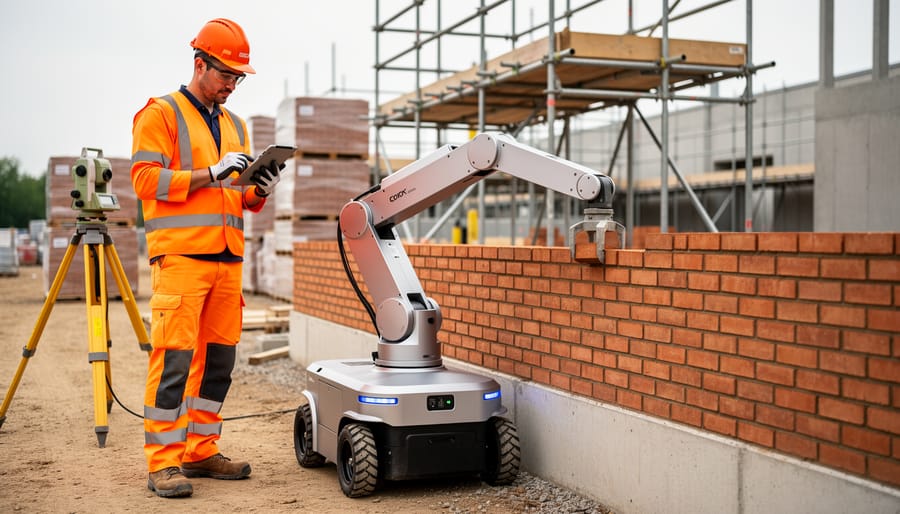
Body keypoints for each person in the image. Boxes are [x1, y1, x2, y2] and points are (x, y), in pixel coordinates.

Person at [130, 18, 282, 499]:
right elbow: (144, 181)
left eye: (239, 78)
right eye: (226, 76)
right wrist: (208, 173)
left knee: (218, 363)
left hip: (227, 262)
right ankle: (163, 463)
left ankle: (200, 450)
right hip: (181, 261)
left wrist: (258, 191)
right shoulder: (160, 114)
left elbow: (236, 196)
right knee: (174, 362)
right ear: (200, 64)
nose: (233, 86)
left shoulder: (236, 126)